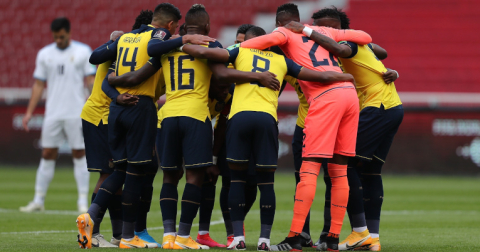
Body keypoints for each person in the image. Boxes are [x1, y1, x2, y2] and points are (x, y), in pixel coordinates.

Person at [181, 25, 355, 251]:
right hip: (266, 120)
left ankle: (237, 238)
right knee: (266, 183)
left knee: (235, 181)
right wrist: (344, 76)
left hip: (239, 117)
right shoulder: (280, 61)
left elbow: (208, 56)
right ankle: (264, 239)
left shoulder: (240, 49)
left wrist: (182, 44)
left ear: (251, 40)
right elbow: (319, 76)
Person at [240, 3, 372, 251]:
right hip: (349, 95)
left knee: (309, 170)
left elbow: (248, 46)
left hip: (325, 98)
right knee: (339, 170)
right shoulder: (324, 31)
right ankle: (332, 238)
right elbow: (366, 37)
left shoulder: (284, 33)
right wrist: (309, 31)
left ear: (280, 23)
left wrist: (230, 50)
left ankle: (295, 238)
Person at [77, 3, 201, 249]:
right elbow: (140, 66)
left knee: (121, 171)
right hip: (126, 109)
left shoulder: (124, 41)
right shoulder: (157, 44)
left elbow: (98, 63)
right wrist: (183, 39)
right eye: (174, 28)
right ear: (166, 26)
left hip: (115, 109)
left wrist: (116, 90)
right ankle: (126, 234)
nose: (174, 32)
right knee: (132, 170)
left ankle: (97, 219)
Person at [157, 5, 279, 250]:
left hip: (167, 115)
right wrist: (258, 76)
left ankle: (168, 237)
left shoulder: (166, 47)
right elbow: (222, 75)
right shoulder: (210, 45)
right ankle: (183, 237)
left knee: (169, 178)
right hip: (195, 115)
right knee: (194, 178)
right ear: (207, 27)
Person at [299, 7, 403, 251]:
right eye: (316, 25)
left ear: (338, 28)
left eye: (325, 27)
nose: (320, 30)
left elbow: (345, 49)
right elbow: (381, 51)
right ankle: (372, 238)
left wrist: (306, 31)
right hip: (391, 106)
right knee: (371, 172)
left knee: (342, 163)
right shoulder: (340, 47)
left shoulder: (346, 43)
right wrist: (391, 70)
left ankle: (359, 231)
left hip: (378, 107)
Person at [79, 10, 156, 248]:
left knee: (119, 173)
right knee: (109, 173)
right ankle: (92, 228)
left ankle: (117, 233)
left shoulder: (126, 47)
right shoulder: (123, 47)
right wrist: (111, 41)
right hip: (101, 115)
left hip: (108, 115)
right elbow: (94, 58)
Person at [20, 17, 95, 214]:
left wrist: (96, 103)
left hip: (76, 111)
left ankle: (81, 201)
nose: (58, 40)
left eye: (61, 37)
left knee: (79, 153)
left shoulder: (82, 51)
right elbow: (38, 84)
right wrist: (29, 112)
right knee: (47, 153)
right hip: (53, 112)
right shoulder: (45, 54)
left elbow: (90, 80)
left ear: (69, 33)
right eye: (55, 37)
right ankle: (38, 200)